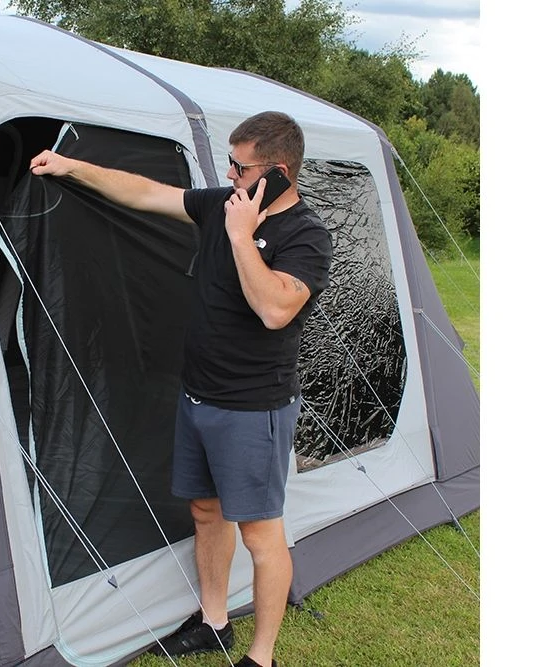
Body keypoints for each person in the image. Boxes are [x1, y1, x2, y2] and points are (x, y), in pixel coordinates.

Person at [29, 111, 332, 667]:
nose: (231, 175)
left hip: (253, 409)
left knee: (261, 535)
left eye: (241, 167)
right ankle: (215, 622)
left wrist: (241, 236)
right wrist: (70, 166)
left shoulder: (306, 235)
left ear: (279, 173)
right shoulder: (224, 204)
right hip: (198, 396)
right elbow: (147, 193)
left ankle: (261, 657)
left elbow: (274, 309)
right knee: (205, 511)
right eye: (230, 163)